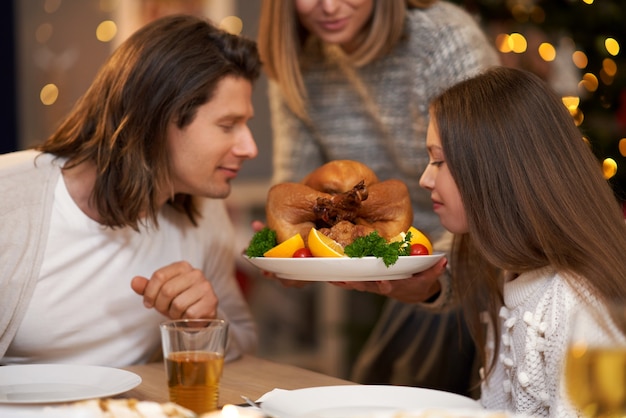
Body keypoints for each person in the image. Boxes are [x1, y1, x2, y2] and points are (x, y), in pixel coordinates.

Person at [257, 0, 499, 396]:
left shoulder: (441, 40)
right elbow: (296, 189)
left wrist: (440, 283)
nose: (330, 6)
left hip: (475, 263)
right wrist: (292, 254)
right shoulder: (297, 63)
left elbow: (491, 191)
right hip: (398, 266)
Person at [0, 14, 260, 366]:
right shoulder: (10, 195)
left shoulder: (201, 211)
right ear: (156, 119)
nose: (249, 147)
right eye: (228, 125)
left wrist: (202, 325)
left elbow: (243, 340)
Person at [420, 66, 626, 416]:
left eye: (439, 160)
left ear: (493, 168)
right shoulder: (511, 272)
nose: (425, 178)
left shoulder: (578, 304)